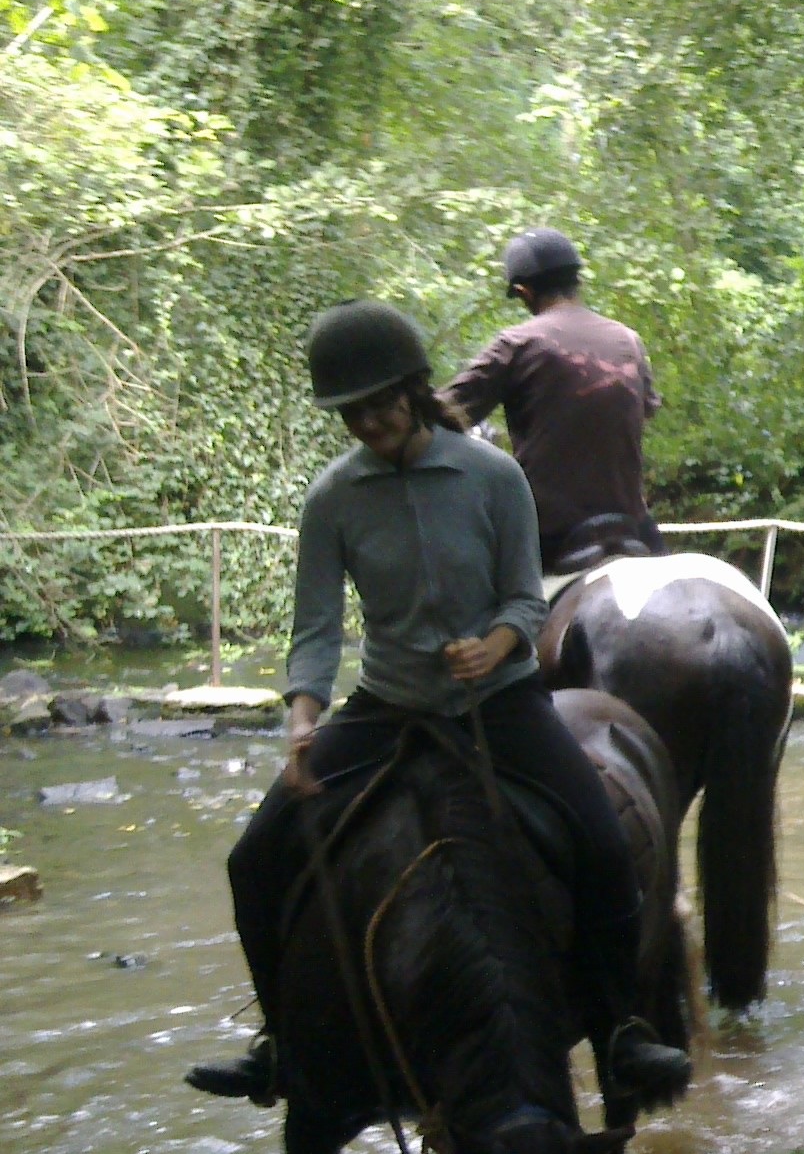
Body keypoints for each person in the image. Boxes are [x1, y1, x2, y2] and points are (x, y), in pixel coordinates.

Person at [189, 300, 690, 1108]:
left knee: (601, 842)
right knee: (252, 858)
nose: (368, 422)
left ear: (415, 390)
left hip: (497, 701)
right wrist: (304, 712)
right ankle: (282, 1043)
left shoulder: (493, 477)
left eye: (381, 404)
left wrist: (495, 643)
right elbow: (315, 627)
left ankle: (622, 1028)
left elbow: (527, 600)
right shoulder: (333, 498)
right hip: (387, 705)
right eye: (350, 412)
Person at [438, 228, 664, 574]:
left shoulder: (516, 343)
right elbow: (644, 409)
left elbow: (444, 415)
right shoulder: (628, 340)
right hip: (632, 522)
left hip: (547, 530)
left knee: (471, 599)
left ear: (523, 292)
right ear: (577, 281)